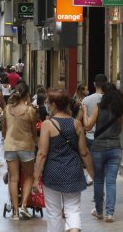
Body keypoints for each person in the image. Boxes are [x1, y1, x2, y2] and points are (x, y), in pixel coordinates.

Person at [33, 89, 94, 232]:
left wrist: (36, 178)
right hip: (73, 172)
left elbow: (42, 153)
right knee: (73, 210)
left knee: (54, 213)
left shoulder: (48, 125)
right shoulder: (76, 124)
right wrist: (93, 174)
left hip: (52, 173)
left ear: (54, 104)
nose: (47, 105)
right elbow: (84, 153)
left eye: (49, 102)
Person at [82, 83, 123, 223]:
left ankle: (99, 211)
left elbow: (88, 126)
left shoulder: (98, 107)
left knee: (98, 180)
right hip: (115, 148)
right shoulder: (120, 109)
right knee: (111, 182)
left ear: (103, 94)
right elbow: (120, 129)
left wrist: (84, 111)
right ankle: (110, 213)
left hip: (99, 148)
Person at [2, 82, 37, 220]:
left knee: (13, 179)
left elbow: (4, 130)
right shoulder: (30, 110)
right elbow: (34, 131)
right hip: (26, 146)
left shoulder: (7, 108)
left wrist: (6, 138)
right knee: (28, 177)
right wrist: (35, 142)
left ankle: (15, 212)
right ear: (27, 94)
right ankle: (23, 206)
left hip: (10, 146)